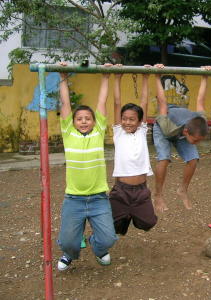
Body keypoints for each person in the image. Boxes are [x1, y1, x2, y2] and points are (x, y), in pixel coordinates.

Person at [57, 62, 118, 271]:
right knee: (68, 242)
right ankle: (70, 253)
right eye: (79, 118)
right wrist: (63, 77)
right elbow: (65, 104)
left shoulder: (98, 132)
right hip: (73, 198)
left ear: (94, 121)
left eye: (88, 118)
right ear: (72, 122)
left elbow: (102, 101)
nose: (83, 121)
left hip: (98, 197)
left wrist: (105, 77)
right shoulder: (68, 133)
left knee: (109, 239)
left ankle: (97, 248)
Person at [152, 64, 210, 212]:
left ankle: (183, 190)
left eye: (199, 140)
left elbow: (200, 100)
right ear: (186, 132)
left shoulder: (199, 120)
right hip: (164, 128)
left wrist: (204, 76)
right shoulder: (167, 125)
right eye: (196, 140)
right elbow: (162, 102)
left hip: (180, 128)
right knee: (164, 158)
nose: (198, 143)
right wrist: (157, 76)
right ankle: (158, 194)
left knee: (193, 159)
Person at [109, 67, 158, 236]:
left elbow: (143, 103)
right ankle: (123, 218)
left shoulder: (142, 131)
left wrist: (146, 78)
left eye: (132, 119)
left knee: (149, 222)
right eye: (124, 118)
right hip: (121, 190)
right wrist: (117, 78)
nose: (127, 122)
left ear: (139, 122)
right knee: (112, 228)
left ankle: (132, 214)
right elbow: (116, 102)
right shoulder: (119, 132)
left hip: (141, 190)